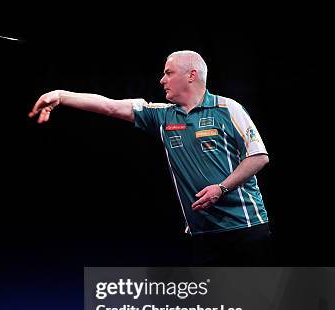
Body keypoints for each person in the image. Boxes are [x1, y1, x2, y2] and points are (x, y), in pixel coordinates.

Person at [28, 50, 271, 265]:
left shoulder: (228, 109)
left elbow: (258, 157)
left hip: (246, 227)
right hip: (202, 234)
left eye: (168, 72)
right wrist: (60, 96)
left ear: (191, 75)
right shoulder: (162, 116)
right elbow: (110, 106)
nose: (162, 80)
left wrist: (221, 188)